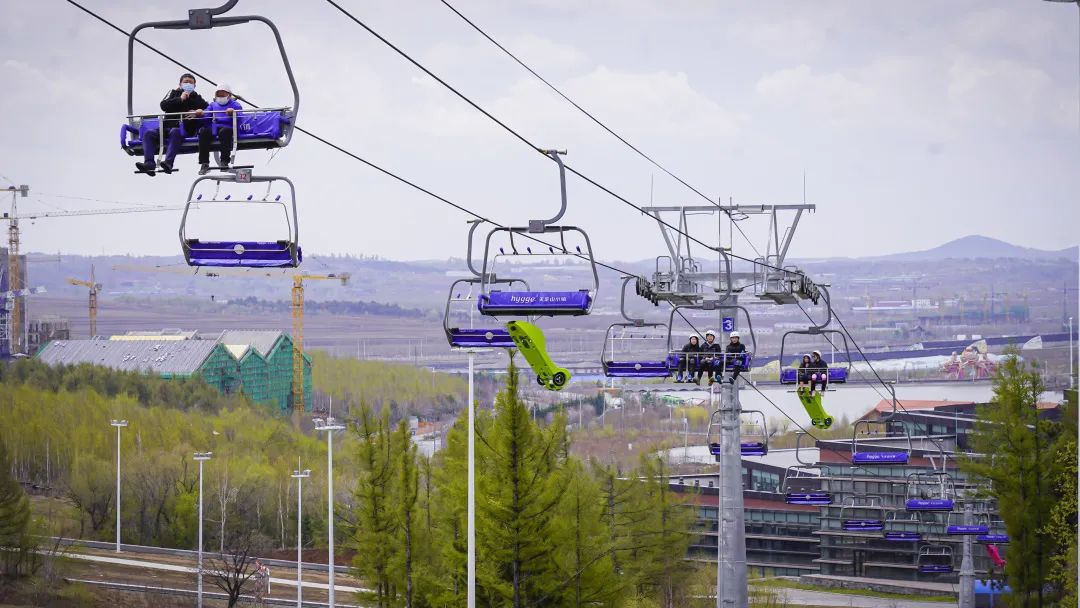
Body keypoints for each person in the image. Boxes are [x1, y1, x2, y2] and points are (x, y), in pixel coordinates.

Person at [135, 73, 208, 176]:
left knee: (175, 131)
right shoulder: (174, 94)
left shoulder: (197, 98)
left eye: (190, 82)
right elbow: (163, 105)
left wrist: (197, 111)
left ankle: (168, 163)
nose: (188, 84)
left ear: (194, 85)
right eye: (185, 82)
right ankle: (149, 164)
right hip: (166, 127)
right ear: (180, 84)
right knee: (148, 134)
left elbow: (208, 109)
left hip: (184, 130)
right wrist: (180, 99)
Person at [197, 83, 242, 175]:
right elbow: (206, 115)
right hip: (215, 127)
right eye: (218, 95)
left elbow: (240, 116)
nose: (221, 97)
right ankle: (204, 163)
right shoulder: (213, 105)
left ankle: (224, 161)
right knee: (203, 132)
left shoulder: (235, 104)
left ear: (229, 95)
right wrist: (200, 113)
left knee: (224, 132)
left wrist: (233, 113)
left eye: (223, 94)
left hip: (228, 127)